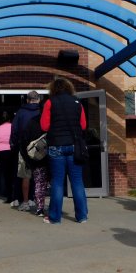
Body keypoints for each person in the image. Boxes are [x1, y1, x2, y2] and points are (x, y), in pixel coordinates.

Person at [40, 77, 88, 224]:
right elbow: (83, 125)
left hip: (56, 146)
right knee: (77, 182)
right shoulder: (77, 103)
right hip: (74, 146)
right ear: (69, 88)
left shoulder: (50, 102)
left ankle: (55, 218)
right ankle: (82, 216)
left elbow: (44, 126)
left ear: (53, 89)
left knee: (57, 182)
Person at [11, 91, 42, 211]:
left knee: (25, 175)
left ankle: (25, 202)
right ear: (38, 100)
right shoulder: (42, 111)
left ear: (28, 100)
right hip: (40, 148)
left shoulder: (20, 112)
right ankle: (38, 201)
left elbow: (14, 130)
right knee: (40, 175)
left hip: (24, 148)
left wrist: (14, 144)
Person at [20, 110, 49, 217]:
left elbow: (23, 141)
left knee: (39, 183)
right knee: (53, 183)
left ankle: (40, 208)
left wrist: (27, 159)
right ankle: (50, 207)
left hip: (36, 158)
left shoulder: (32, 122)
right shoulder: (52, 121)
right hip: (52, 157)